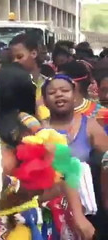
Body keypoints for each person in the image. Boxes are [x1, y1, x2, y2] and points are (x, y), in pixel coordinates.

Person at [0, 63, 80, 239]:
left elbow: (61, 174)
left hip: (17, 226)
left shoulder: (26, 126)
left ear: (3, 88)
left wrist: (14, 186)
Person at [41, 74, 103, 240]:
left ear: (75, 96)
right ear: (45, 101)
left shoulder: (89, 125)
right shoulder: (38, 129)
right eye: (52, 92)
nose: (59, 95)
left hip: (88, 209)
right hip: (50, 210)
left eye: (64, 90)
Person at [9, 33, 49, 121]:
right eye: (12, 58)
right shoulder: (9, 86)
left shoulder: (50, 85)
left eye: (19, 57)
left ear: (34, 53)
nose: (15, 61)